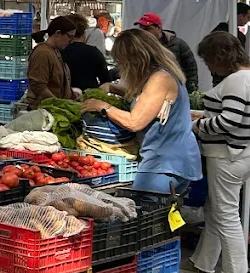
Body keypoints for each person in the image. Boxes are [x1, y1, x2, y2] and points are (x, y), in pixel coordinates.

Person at [81, 28, 201, 196]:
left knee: (143, 209)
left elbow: (134, 122)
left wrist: (103, 106)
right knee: (161, 212)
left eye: (122, 61)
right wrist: (114, 88)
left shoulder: (160, 79)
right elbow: (145, 98)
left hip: (164, 164)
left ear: (134, 59)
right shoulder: (163, 74)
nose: (120, 66)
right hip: (175, 161)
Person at [188, 31, 250, 273]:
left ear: (219, 56)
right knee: (217, 211)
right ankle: (203, 263)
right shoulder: (245, 77)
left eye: (208, 60)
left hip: (226, 156)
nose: (208, 66)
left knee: (225, 214)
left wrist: (198, 125)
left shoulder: (236, 80)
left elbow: (229, 121)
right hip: (238, 154)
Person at [24, 16, 80, 109]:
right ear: (58, 33)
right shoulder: (43, 53)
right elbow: (38, 86)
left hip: (52, 108)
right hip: (42, 110)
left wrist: (70, 94)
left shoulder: (55, 51)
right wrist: (59, 104)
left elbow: (57, 82)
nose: (70, 41)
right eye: (69, 37)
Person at [136, 13, 199, 91]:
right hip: (149, 90)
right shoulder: (139, 47)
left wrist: (191, 90)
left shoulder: (178, 44)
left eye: (147, 29)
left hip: (175, 90)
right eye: (141, 30)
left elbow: (191, 69)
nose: (144, 33)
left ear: (158, 28)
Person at [63, 20, 112, 92]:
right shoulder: (94, 52)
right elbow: (106, 80)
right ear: (84, 33)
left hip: (64, 94)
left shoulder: (60, 52)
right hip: (90, 94)